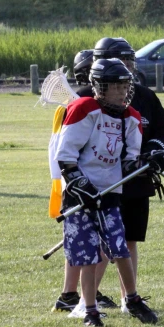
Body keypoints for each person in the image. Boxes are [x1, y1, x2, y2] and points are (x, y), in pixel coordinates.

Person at [52, 58, 157, 327]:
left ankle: (132, 299)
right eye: (115, 87)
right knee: (89, 255)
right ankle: (89, 310)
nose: (122, 92)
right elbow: (65, 157)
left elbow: (128, 161)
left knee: (118, 248)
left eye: (125, 86)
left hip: (110, 194)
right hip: (79, 195)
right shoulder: (83, 109)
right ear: (100, 86)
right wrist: (82, 185)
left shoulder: (131, 117)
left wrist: (148, 163)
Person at [83, 37, 164, 313]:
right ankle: (89, 298)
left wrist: (155, 154)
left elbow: (163, 133)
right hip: (100, 183)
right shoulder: (86, 99)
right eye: (123, 60)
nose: (128, 67)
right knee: (100, 242)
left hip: (135, 182)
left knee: (130, 239)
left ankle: (128, 298)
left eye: (130, 60)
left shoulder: (145, 96)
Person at [49, 50, 117, 313]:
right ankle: (85, 294)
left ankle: (69, 294)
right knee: (95, 241)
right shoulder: (83, 104)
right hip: (82, 179)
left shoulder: (80, 101)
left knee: (77, 240)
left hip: (73, 178)